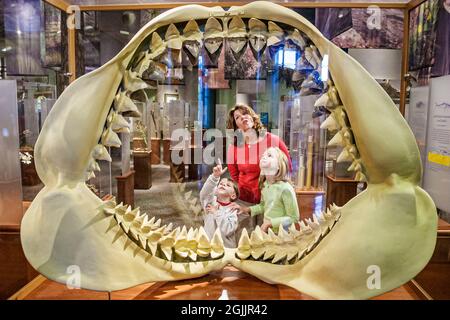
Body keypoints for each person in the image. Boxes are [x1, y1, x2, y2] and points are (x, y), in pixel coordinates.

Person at [226, 103, 292, 205]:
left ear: (252, 117)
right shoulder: (233, 147)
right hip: (245, 199)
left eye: (245, 113)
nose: (243, 117)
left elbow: (287, 166)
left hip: (272, 199)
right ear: (235, 126)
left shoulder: (273, 140)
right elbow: (234, 175)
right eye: (237, 117)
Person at [235, 147, 300, 233]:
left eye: (269, 155)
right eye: (263, 155)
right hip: (268, 232)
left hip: (282, 234)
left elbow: (294, 218)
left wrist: (269, 223)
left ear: (279, 166)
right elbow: (263, 206)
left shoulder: (285, 189)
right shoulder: (265, 185)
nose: (264, 157)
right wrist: (246, 209)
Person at [199, 160, 240, 248]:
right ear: (216, 190)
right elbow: (204, 194)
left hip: (225, 252)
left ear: (233, 195)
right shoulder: (211, 202)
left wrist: (216, 212)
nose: (223, 185)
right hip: (208, 248)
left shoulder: (232, 211)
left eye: (228, 185)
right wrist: (215, 177)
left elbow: (227, 230)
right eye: (221, 183)